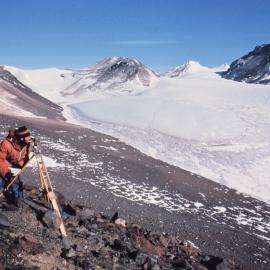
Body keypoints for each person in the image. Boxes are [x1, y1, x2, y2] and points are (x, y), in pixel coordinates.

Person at [0, 126, 31, 204]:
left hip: (15, 166)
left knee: (17, 183)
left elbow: (24, 158)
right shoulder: (6, 144)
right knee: (1, 182)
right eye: (28, 136)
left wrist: (19, 166)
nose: (30, 138)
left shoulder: (26, 144)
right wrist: (7, 171)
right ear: (22, 138)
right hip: (4, 165)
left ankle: (18, 202)